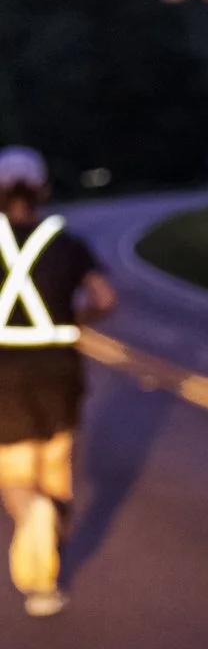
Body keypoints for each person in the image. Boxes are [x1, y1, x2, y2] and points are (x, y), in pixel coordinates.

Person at [0, 147, 116, 618]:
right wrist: (75, 316)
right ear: (43, 190)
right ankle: (47, 583)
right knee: (55, 466)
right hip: (59, 368)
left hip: (4, 371)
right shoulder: (66, 242)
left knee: (16, 478)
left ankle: (34, 515)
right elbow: (105, 298)